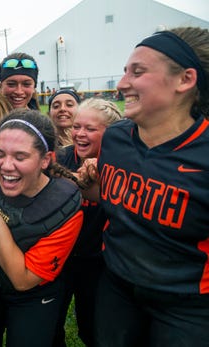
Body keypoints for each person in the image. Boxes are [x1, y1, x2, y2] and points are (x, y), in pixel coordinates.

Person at [78, 27, 209, 346]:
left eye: (138, 72)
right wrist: (89, 188)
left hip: (186, 307)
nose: (122, 84)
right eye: (125, 72)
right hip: (117, 286)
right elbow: (116, 203)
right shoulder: (117, 138)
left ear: (185, 80)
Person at [0, 109, 84, 347]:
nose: (6, 166)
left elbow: (23, 280)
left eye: (20, 157)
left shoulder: (64, 207)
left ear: (46, 160)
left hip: (34, 296)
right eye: (0, 154)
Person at [53, 98, 123, 347]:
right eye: (76, 126)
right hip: (60, 258)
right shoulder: (60, 158)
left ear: (111, 132)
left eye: (90, 129)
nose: (80, 134)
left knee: (93, 327)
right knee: (50, 326)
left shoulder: (120, 165)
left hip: (99, 262)